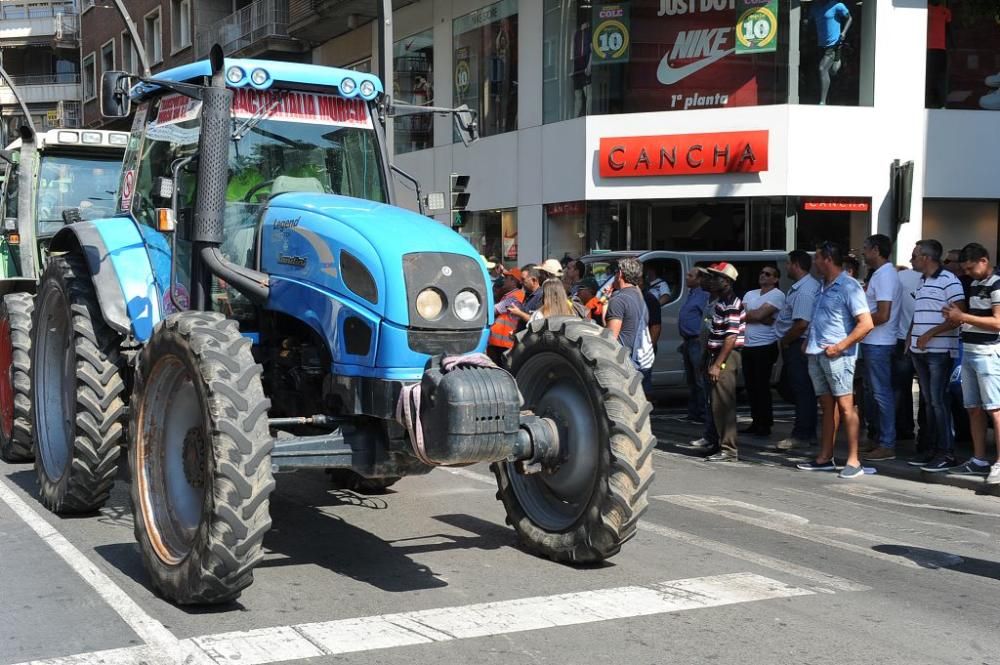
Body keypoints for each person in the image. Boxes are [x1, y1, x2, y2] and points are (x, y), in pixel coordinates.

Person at [797, 241, 873, 479]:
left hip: (838, 355)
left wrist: (840, 346)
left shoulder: (849, 286)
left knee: (845, 405)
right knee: (827, 406)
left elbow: (866, 323)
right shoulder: (822, 285)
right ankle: (825, 457)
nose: (815, 263)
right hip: (818, 352)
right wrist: (809, 339)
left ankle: (854, 460)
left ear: (828, 258)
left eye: (818, 257)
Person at [942, 242, 1000, 484]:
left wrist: (962, 317)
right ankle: (978, 459)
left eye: (970, 267)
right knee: (973, 408)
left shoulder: (997, 283)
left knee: (994, 409)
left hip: (988, 353)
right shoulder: (977, 283)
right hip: (971, 350)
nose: (967, 273)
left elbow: (998, 322)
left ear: (984, 261)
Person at [906, 240, 965, 471]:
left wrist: (930, 333)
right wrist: (912, 335)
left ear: (926, 258)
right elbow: (919, 312)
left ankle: (946, 452)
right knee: (930, 403)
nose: (911, 260)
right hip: (920, 350)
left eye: (914, 255)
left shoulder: (949, 281)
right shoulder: (923, 280)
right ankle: (932, 449)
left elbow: (958, 316)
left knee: (938, 402)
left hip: (939, 351)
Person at [859, 234, 902, 461]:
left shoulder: (885, 275)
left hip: (879, 343)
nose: (863, 253)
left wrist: (859, 324)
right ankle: (878, 439)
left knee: (881, 394)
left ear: (876, 250)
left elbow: (883, 314)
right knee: (873, 394)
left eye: (865, 248)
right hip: (873, 342)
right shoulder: (880, 275)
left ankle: (887, 443)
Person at [774, 250, 821, 450]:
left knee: (802, 390)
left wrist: (786, 340)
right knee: (798, 389)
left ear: (795, 264)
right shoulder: (803, 287)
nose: (786, 267)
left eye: (788, 263)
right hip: (796, 343)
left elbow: (802, 323)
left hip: (797, 344)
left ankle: (802, 434)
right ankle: (807, 432)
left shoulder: (804, 290)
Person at [701, 262, 745, 462]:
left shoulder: (733, 304)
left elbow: (730, 337)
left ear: (726, 282)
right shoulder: (721, 302)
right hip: (717, 354)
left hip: (726, 356)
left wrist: (718, 364)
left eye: (715, 277)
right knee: (715, 402)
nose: (710, 281)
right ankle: (719, 444)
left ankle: (728, 449)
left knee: (723, 403)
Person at [740, 266, 785, 437]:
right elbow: (744, 314)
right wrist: (758, 316)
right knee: (750, 386)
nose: (763, 276)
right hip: (748, 345)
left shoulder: (777, 295)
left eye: (768, 274)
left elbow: (756, 316)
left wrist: (756, 315)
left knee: (762, 386)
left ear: (775, 279)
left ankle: (765, 423)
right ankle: (755, 421)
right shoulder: (750, 294)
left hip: (766, 345)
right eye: (761, 272)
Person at [606, 257, 655, 388]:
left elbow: (610, 339)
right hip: (642, 361)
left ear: (620, 274)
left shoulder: (619, 300)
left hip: (626, 365)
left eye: (615, 272)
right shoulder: (639, 296)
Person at [895, 262, 924, 444]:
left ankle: (904, 429)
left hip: (906, 338)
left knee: (901, 388)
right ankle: (925, 437)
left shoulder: (901, 278)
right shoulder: (943, 280)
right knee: (928, 393)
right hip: (922, 340)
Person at [678, 267, 710, 423]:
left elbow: (706, 318)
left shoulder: (704, 295)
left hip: (696, 341)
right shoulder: (692, 294)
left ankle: (703, 413)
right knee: (691, 380)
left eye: (690, 276)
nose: (686, 278)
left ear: (699, 279)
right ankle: (694, 412)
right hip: (688, 341)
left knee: (699, 379)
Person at [811, 0, 852, 105]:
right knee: (832, 71)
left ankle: (822, 102)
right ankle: (837, 60)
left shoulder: (837, 5)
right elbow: (809, 20)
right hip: (820, 44)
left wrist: (843, 32)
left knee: (822, 68)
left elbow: (850, 18)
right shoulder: (815, 7)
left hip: (834, 43)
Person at [487, 268, 525, 364]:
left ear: (514, 281)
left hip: (504, 343)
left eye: (507, 278)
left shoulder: (514, 297)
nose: (504, 280)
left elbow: (492, 311)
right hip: (501, 342)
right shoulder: (511, 295)